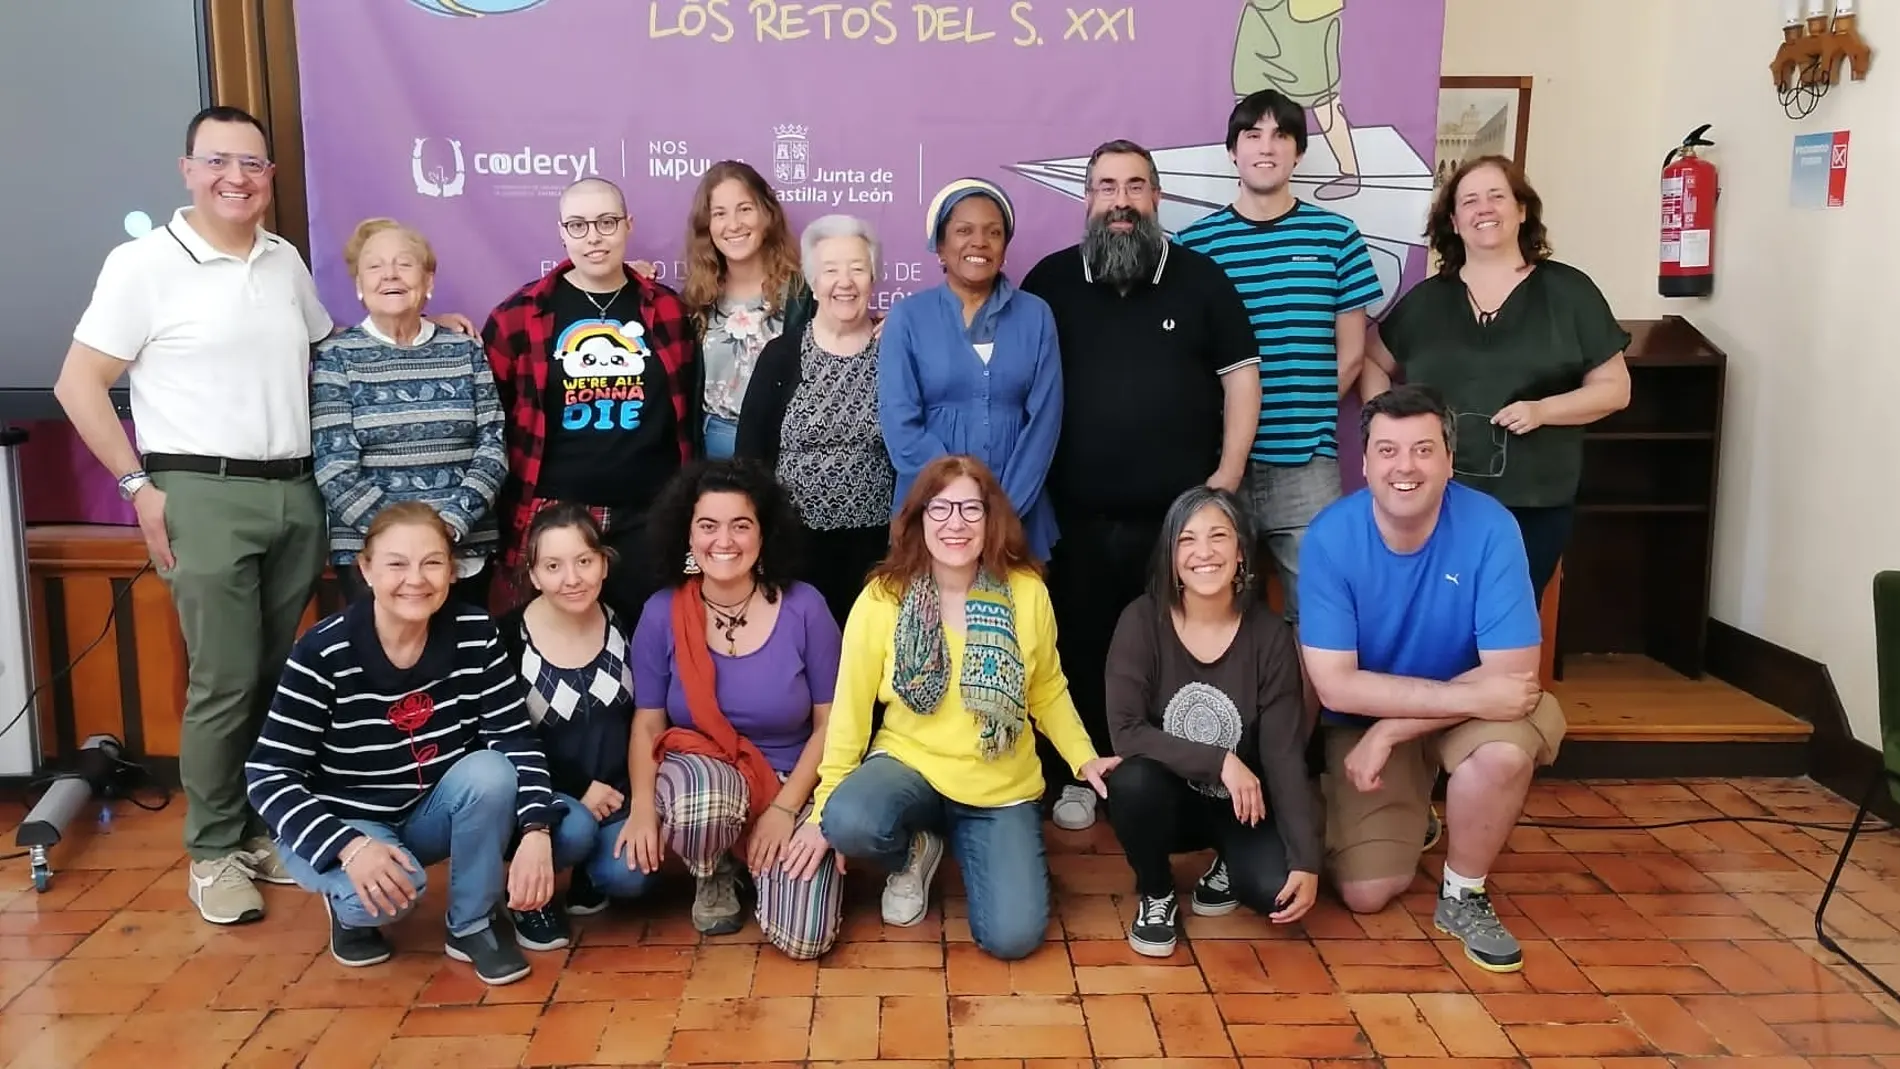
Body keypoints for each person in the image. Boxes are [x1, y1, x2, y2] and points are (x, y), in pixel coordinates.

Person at [51, 105, 476, 925]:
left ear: (270, 177)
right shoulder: (142, 264)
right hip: (200, 489)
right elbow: (77, 383)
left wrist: (424, 334)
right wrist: (137, 486)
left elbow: (332, 351)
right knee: (225, 676)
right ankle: (213, 849)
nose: (236, 178)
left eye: (252, 165)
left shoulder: (282, 261)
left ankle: (261, 826)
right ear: (188, 169)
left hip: (297, 488)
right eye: (218, 162)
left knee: (282, 678)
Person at [786, 455, 1121, 962]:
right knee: (849, 819)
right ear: (918, 520)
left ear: (992, 519)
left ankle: (975, 845)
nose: (955, 524)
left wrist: (1083, 758)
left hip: (998, 787)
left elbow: (1047, 688)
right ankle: (915, 849)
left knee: (1013, 937)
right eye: (939, 510)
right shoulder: (884, 598)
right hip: (909, 766)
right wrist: (824, 802)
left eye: (970, 509)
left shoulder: (1027, 592)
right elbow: (851, 709)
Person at [1020, 139, 1262, 832]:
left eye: (1134, 186)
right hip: (1074, 517)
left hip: (1177, 524)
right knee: (1073, 647)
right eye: (1105, 187)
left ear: (1156, 198)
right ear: (1086, 200)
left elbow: (1242, 378)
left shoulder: (1202, 280)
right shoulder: (1050, 281)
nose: (1120, 201)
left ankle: (1162, 777)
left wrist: (1227, 478)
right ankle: (1076, 773)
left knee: (1167, 653)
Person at [1297, 384, 1566, 974]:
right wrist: (1391, 727)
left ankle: (1463, 894)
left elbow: (1513, 676)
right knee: (1368, 894)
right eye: (1388, 451)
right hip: (1395, 710)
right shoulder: (1330, 537)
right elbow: (1337, 687)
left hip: (1480, 711)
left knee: (1502, 751)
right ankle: (1416, 810)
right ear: (1363, 462)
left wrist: (1391, 729)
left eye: (1423, 450)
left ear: (1449, 459)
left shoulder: (1491, 527)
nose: (1406, 467)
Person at [242, 501, 559, 985]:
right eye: (397, 563)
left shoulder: (477, 634)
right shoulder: (322, 651)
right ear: (365, 569)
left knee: (492, 771)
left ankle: (472, 923)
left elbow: (513, 736)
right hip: (346, 818)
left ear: (451, 571)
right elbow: (268, 774)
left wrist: (536, 829)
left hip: (424, 810)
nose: (416, 579)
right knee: (390, 895)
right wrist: (347, 845)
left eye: (432, 562)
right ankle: (348, 912)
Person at [1361, 155, 1631, 604]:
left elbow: (1615, 389)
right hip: (1438, 497)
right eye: (1469, 200)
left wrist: (1543, 410)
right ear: (1454, 220)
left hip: (1534, 498)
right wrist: (1389, 433)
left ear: (1522, 210)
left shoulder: (1569, 292)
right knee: (1439, 615)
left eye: (1496, 196)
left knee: (1507, 616)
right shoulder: (1427, 300)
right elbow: (1371, 362)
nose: (1483, 208)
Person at [1176, 90, 1384, 623]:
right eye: (1252, 135)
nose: (1266, 148)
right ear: (1232, 152)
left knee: (1319, 613)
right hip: (1218, 466)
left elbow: (1353, 354)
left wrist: (1305, 418)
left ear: (1298, 152)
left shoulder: (1336, 237)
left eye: (1281, 135)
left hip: (1307, 466)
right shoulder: (1195, 246)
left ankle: (1309, 713)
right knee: (1213, 608)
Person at [627, 460, 846, 959]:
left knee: (804, 938)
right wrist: (642, 809)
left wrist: (787, 809)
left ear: (764, 533)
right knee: (703, 799)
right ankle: (714, 869)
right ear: (687, 535)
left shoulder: (805, 607)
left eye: (740, 525)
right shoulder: (662, 612)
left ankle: (762, 865)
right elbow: (647, 724)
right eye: (707, 526)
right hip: (704, 779)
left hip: (791, 780)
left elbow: (832, 725)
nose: (723, 540)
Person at [1103, 485, 1321, 957]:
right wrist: (1219, 760)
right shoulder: (1142, 621)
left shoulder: (1269, 636)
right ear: (1171, 555)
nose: (1204, 552)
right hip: (1170, 802)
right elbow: (1126, 731)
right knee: (1131, 782)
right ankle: (1157, 892)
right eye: (1187, 540)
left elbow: (1284, 754)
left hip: (1243, 806)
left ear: (1242, 551)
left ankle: (1228, 863)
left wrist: (1306, 859)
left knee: (1275, 892)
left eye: (1218, 536)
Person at [482, 176, 698, 622]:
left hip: (650, 514)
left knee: (650, 642)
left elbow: (690, 414)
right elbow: (490, 421)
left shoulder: (669, 311)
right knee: (550, 644)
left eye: (606, 222)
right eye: (578, 225)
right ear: (561, 232)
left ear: (628, 225)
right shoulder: (517, 317)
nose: (594, 237)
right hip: (558, 515)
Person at [313, 217, 507, 608]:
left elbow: (493, 448)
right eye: (374, 266)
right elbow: (335, 469)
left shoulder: (465, 350)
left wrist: (447, 530)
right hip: (373, 558)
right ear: (359, 286)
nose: (390, 275)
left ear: (428, 281)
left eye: (404, 263)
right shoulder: (336, 357)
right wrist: (403, 546)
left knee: (461, 665)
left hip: (462, 550)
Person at [878, 179, 1063, 562]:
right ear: (940, 246)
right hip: (931, 513)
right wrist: (955, 507)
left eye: (993, 232)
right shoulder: (908, 318)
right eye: (964, 231)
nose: (979, 242)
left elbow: (1045, 421)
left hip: (1017, 514)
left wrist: (1001, 511)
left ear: (1004, 247)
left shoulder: (1036, 316)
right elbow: (900, 424)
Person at [494, 503, 651, 951]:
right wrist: (580, 786)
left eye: (584, 561)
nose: (572, 578)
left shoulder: (627, 621)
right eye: (554, 566)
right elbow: (504, 739)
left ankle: (589, 876)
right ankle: (527, 895)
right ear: (534, 573)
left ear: (604, 562)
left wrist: (641, 800)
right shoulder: (507, 639)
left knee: (633, 875)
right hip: (544, 796)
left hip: (618, 793)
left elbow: (649, 715)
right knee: (574, 827)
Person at [735, 214, 894, 626]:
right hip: (793, 549)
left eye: (858, 269)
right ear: (812, 280)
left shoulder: (895, 350)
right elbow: (750, 456)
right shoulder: (781, 355)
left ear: (873, 276)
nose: (845, 282)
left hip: (876, 552)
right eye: (830, 270)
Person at [681, 161, 814, 458]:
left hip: (783, 448)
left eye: (745, 209)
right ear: (707, 226)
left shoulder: (804, 294)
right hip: (713, 449)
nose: (734, 224)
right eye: (719, 214)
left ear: (767, 214)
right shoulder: (696, 300)